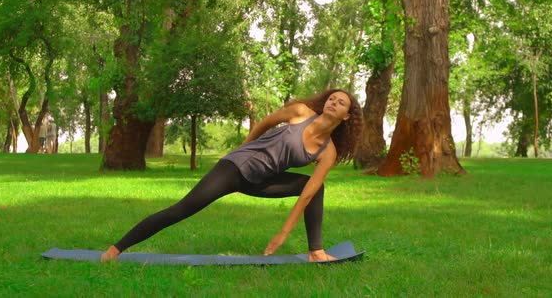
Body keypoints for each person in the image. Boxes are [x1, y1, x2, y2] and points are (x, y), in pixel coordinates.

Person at [101, 89, 362, 262]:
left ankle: (316, 251)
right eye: (332, 98)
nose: (333, 102)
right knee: (181, 210)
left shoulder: (328, 152)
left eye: (341, 103)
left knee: (315, 187)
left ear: (346, 115)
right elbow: (265, 122)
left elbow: (306, 196)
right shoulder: (301, 112)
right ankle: (116, 249)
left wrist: (283, 233)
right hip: (234, 169)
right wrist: (245, 146)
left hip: (261, 181)